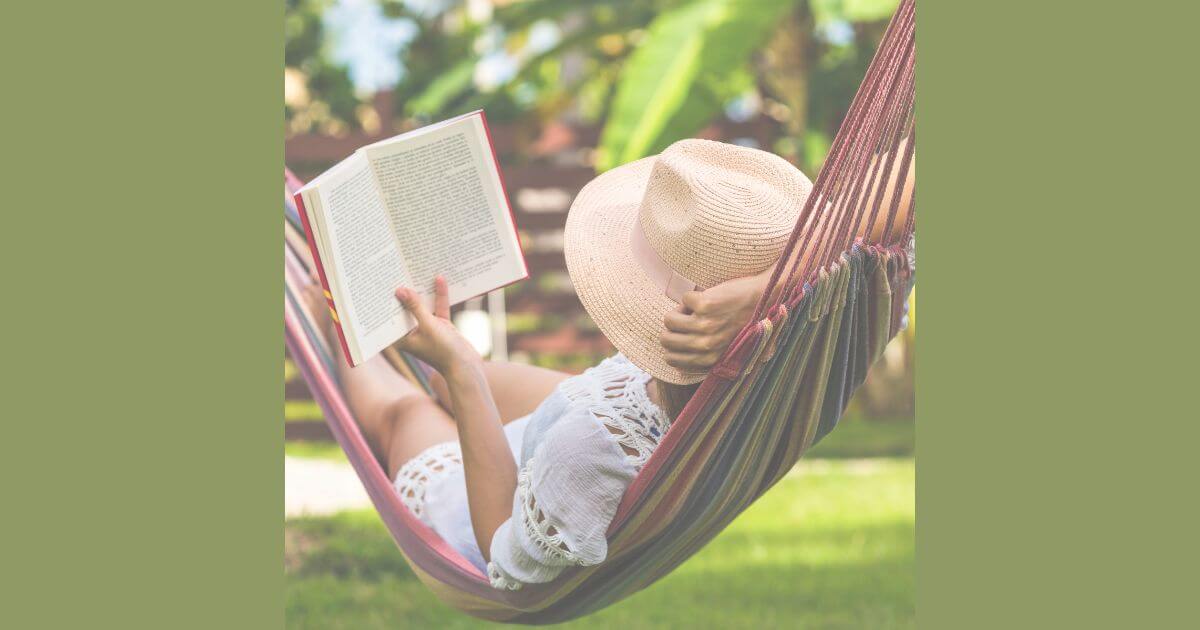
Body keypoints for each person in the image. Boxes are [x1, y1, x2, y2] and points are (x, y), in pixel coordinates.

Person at [302, 138, 913, 590]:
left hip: (491, 502)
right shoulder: (829, 334)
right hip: (604, 409)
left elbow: (500, 555)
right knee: (443, 374)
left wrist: (462, 371)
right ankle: (434, 362)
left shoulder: (590, 453)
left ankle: (334, 320)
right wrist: (766, 291)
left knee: (408, 407)